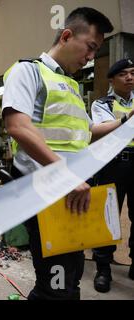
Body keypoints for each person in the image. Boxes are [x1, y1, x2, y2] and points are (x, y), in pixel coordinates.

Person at [3, 7, 133, 300]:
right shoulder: (28, 71)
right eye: (90, 48)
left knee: (70, 277)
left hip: (71, 195)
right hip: (45, 193)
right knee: (56, 287)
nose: (90, 57)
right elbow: (17, 126)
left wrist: (127, 120)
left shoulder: (72, 86)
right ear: (66, 36)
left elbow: (90, 131)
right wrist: (64, 174)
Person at [91, 58, 134, 293]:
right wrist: (129, 116)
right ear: (112, 79)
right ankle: (103, 269)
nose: (129, 77)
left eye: (133, 73)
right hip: (114, 164)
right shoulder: (102, 104)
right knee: (108, 217)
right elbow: (104, 130)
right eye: (123, 74)